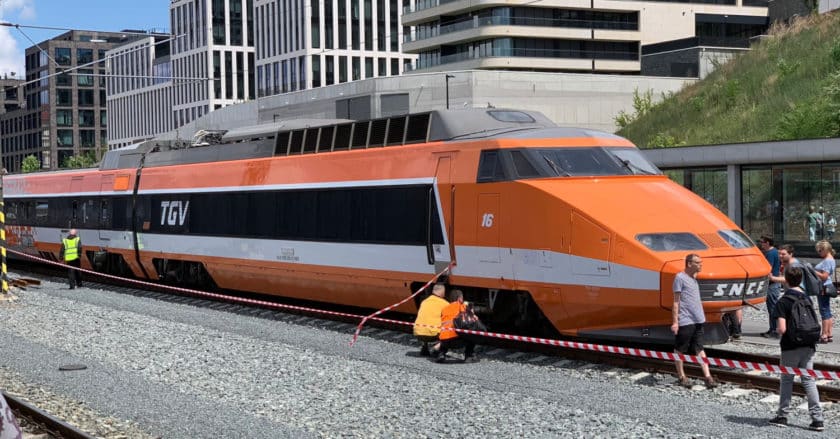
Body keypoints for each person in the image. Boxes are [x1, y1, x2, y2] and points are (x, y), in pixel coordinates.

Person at [769, 266, 825, 431]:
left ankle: (782, 416)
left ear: (785, 280)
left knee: (787, 380)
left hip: (791, 346)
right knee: (808, 380)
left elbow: (782, 329)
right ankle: (817, 420)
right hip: (809, 345)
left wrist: (777, 334)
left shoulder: (783, 301)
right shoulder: (807, 299)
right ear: (800, 280)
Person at [672, 253, 717, 389]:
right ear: (689, 264)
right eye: (698, 263)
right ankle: (681, 376)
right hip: (686, 320)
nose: (701, 265)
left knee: (699, 348)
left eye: (701, 262)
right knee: (680, 349)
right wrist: (675, 322)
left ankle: (708, 376)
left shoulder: (693, 277)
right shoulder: (680, 278)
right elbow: (676, 301)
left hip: (698, 319)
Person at [435, 289, 477, 363]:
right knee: (474, 331)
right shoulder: (463, 306)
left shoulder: (444, 308)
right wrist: (471, 309)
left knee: (446, 332)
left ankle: (441, 354)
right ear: (459, 298)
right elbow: (474, 320)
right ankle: (469, 356)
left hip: (444, 342)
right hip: (459, 341)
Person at [413, 283, 449, 356]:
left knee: (426, 320)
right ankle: (437, 349)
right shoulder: (445, 304)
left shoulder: (424, 301)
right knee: (449, 327)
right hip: (433, 334)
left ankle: (424, 348)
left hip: (418, 333)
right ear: (443, 292)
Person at [759, 236, 781, 338]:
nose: (761, 244)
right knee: (773, 307)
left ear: (767, 243)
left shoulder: (770, 254)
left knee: (772, 308)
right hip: (775, 283)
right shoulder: (775, 252)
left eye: (762, 242)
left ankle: (774, 330)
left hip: (772, 284)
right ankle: (773, 329)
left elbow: (767, 268)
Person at [814, 240, 836, 343]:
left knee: (824, 311)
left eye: (819, 250)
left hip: (823, 287)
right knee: (827, 310)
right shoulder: (831, 259)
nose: (818, 252)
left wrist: (813, 271)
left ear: (825, 249)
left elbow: (824, 276)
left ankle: (824, 335)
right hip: (826, 286)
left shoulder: (827, 261)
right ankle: (829, 334)